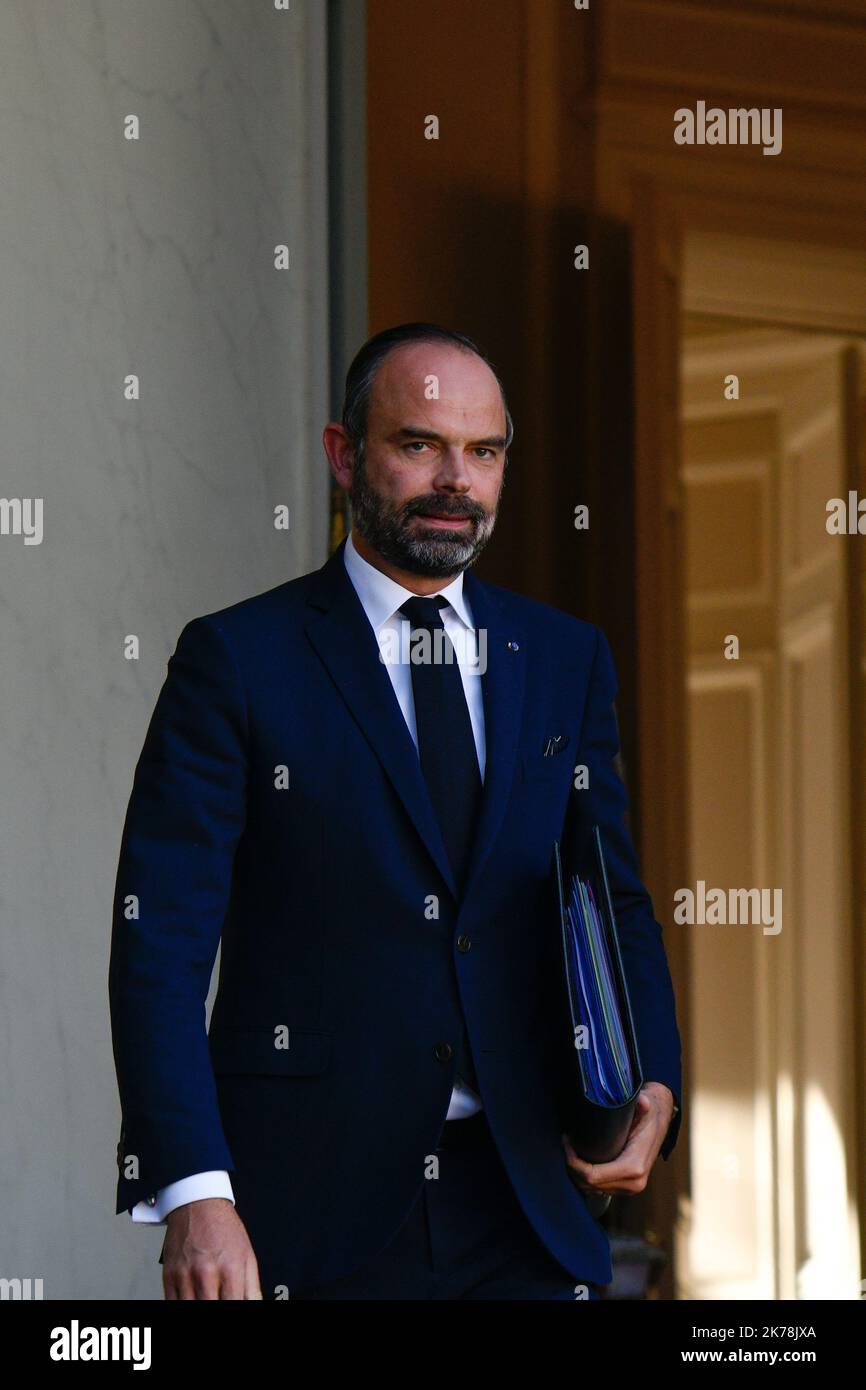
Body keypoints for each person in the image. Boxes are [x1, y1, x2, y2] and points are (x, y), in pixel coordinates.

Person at [109, 322, 682, 1300]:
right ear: (343, 455)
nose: (454, 478)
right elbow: (158, 941)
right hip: (305, 1213)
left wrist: (653, 1078)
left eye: (483, 451)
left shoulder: (561, 659)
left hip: (527, 1204)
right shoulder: (238, 661)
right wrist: (194, 1191)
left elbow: (609, 894)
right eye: (419, 445)